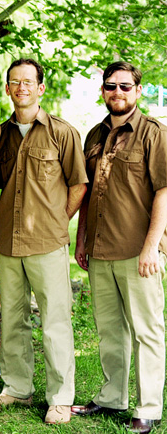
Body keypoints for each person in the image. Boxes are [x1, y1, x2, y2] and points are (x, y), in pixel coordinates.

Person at [0, 58, 87, 424]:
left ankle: (60, 397)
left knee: (55, 322)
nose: (21, 87)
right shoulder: (1, 134)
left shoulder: (62, 132)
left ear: (41, 88)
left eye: (28, 82)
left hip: (47, 243)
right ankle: (16, 389)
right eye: (14, 82)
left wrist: (59, 221)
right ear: (7, 89)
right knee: (12, 319)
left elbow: (79, 184)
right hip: (8, 242)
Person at [73, 61, 167, 434]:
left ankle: (148, 408)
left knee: (147, 330)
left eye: (125, 86)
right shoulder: (94, 135)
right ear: (103, 91)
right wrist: (81, 240)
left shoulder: (154, 133)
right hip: (99, 249)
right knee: (110, 329)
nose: (118, 92)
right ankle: (113, 396)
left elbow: (164, 191)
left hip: (136, 250)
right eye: (111, 86)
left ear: (138, 91)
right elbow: (86, 193)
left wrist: (150, 248)